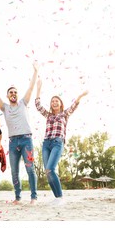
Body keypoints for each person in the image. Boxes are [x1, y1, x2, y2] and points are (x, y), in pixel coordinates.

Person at [0, 62, 39, 205]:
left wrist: (35, 71)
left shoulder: (23, 103)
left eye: (15, 92)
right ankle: (18, 197)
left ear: (17, 94)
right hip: (13, 142)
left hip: (26, 140)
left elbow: (31, 87)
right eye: (11, 92)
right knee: (14, 171)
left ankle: (33, 197)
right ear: (7, 96)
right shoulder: (5, 107)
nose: (13, 94)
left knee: (30, 169)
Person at [35, 77, 88, 206]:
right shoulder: (48, 115)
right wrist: (38, 89)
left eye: (56, 101)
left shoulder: (65, 114)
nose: (54, 102)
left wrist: (81, 95)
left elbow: (74, 105)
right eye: (52, 101)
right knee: (47, 172)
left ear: (60, 103)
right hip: (46, 143)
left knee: (50, 168)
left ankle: (60, 197)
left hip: (57, 143)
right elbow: (37, 105)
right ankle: (57, 198)